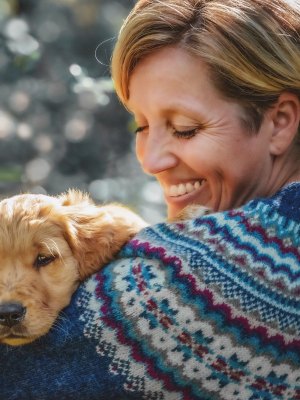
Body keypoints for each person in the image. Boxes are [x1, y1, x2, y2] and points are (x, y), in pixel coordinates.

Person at [1, 0, 299, 399]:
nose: (150, 160)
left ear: (279, 121)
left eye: (185, 128)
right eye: (141, 125)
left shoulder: (215, 273)